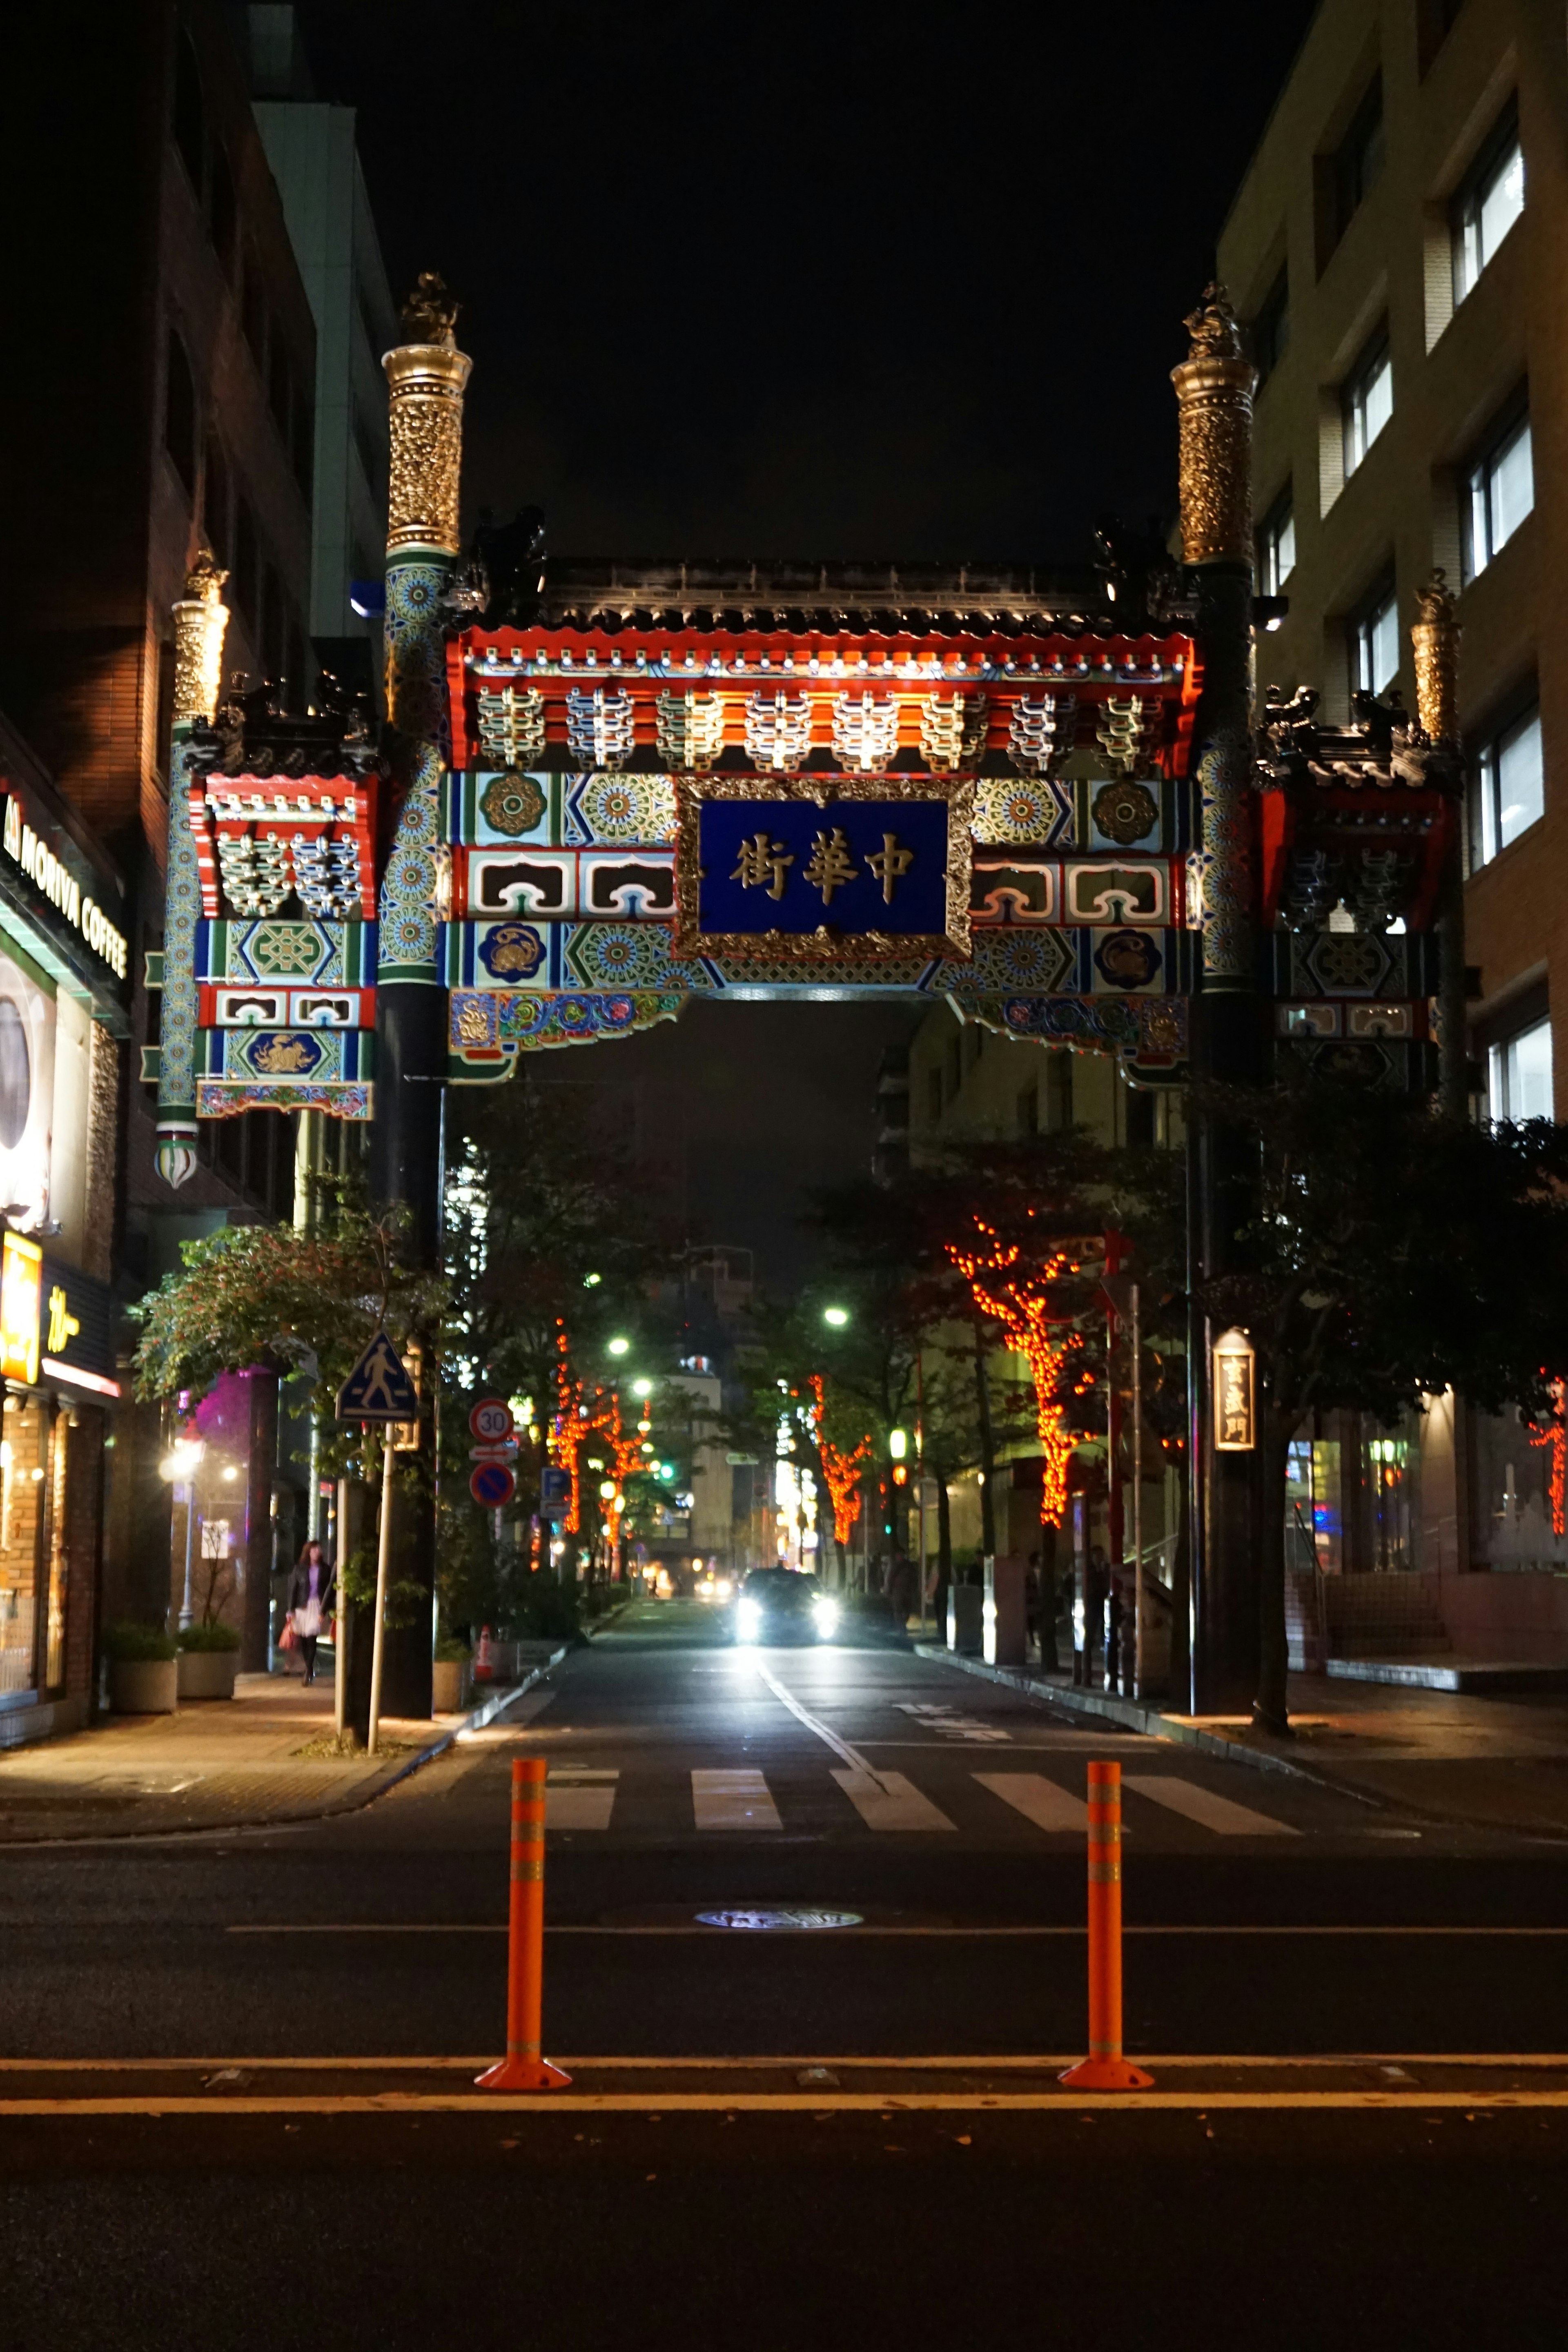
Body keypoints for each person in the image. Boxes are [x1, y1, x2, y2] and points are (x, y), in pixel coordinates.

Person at [285, 1539, 335, 1686]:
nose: (317, 1552)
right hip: (302, 1607)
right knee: (304, 1639)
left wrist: (325, 1609)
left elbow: (329, 1591)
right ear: (308, 1552)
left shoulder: (325, 1569)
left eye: (319, 1550)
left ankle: (308, 1671)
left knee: (312, 1636)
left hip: (317, 1606)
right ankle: (310, 1667)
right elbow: (293, 1590)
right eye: (314, 1550)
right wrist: (290, 1610)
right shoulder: (300, 1569)